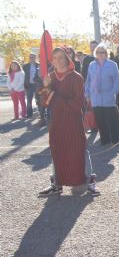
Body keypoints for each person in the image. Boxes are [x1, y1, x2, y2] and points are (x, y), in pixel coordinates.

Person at [38, 47, 99, 197]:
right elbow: (44, 102)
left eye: (61, 57)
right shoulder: (50, 77)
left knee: (80, 148)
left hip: (73, 120)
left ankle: (90, 181)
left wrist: (55, 97)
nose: (58, 61)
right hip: (56, 121)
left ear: (67, 58)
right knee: (56, 149)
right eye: (55, 58)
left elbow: (77, 104)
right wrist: (45, 87)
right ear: (52, 60)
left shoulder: (76, 77)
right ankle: (56, 183)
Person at [84, 44, 119, 146]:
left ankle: (115, 140)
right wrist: (87, 94)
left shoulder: (112, 64)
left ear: (106, 53)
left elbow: (117, 81)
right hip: (95, 98)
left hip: (108, 98)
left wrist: (112, 93)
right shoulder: (92, 65)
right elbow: (88, 80)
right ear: (95, 54)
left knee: (112, 120)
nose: (100, 54)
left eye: (103, 52)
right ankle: (105, 140)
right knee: (101, 121)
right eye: (98, 52)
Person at [23, 53, 44, 121]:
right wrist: (25, 85)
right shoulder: (25, 66)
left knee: (38, 100)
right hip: (29, 85)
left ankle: (41, 114)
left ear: (35, 58)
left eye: (32, 57)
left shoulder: (39, 65)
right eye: (30, 57)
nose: (31, 58)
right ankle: (29, 114)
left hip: (37, 85)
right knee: (29, 101)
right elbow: (24, 76)